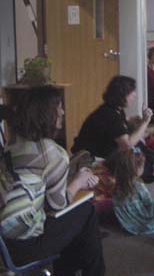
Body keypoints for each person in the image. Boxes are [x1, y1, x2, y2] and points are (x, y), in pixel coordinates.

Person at [2, 85, 105, 276]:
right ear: (47, 113)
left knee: (74, 224)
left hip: (4, 242)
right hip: (24, 246)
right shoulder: (52, 152)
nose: (63, 111)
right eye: (59, 107)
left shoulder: (12, 143)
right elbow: (57, 205)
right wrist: (79, 180)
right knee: (86, 212)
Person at [71, 75, 153, 159]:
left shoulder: (116, 110)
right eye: (132, 91)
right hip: (88, 161)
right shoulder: (109, 114)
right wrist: (145, 121)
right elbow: (127, 144)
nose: (134, 95)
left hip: (100, 157)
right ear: (122, 93)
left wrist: (140, 121)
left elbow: (122, 129)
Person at [105, 149, 154, 235]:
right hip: (144, 221)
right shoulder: (139, 186)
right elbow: (148, 203)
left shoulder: (116, 186)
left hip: (127, 224)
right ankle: (153, 224)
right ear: (136, 169)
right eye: (142, 166)